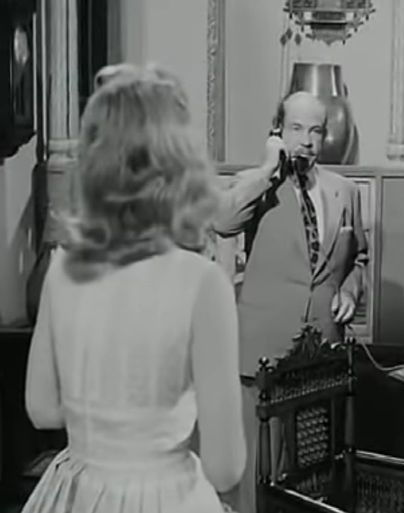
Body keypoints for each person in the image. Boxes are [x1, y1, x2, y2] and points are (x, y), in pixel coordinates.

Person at [22, 64, 246, 513]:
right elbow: (224, 468)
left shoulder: (63, 270)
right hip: (166, 493)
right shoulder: (203, 283)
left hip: (78, 490)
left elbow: (42, 409)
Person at [216, 91, 369, 512]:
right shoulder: (258, 184)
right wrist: (269, 167)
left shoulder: (344, 191)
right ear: (278, 131)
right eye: (296, 128)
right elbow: (223, 220)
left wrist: (350, 289)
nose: (306, 140)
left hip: (321, 352)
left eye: (315, 131)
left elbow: (359, 259)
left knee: (313, 470)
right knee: (256, 470)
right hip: (264, 350)